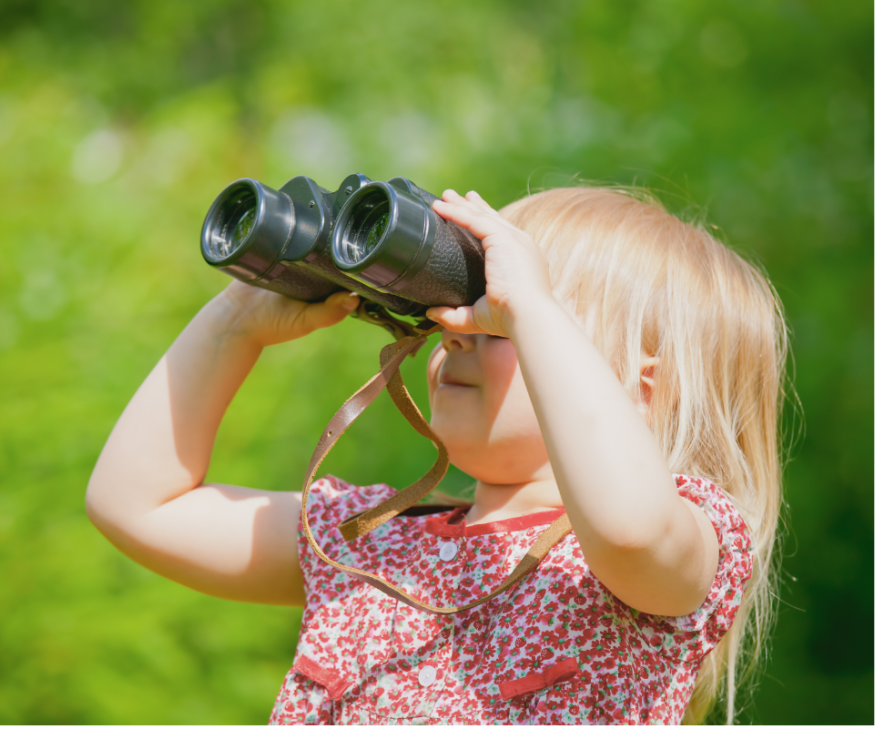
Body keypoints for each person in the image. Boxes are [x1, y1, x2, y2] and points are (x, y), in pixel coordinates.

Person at [85, 186, 787, 724]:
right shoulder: (373, 541)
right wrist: (236, 320)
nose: (456, 335)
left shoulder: (673, 552)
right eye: (460, 304)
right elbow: (138, 507)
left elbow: (629, 527)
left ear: (640, 390)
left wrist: (532, 310)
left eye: (496, 320)